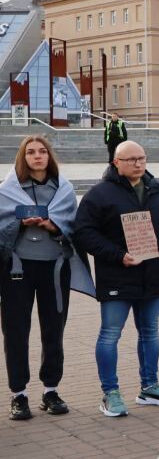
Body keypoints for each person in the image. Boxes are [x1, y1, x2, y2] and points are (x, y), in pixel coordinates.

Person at [72, 142, 159, 417]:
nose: (137, 163)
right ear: (116, 163)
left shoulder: (156, 190)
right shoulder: (99, 194)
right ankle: (110, 393)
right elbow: (84, 233)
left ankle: (150, 387)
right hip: (117, 277)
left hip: (154, 275)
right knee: (110, 334)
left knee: (150, 333)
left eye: (141, 158)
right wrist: (118, 255)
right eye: (131, 159)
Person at [0, 136, 91, 420]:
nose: (37, 156)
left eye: (42, 151)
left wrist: (54, 226)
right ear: (22, 157)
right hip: (17, 271)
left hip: (54, 269)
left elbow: (74, 229)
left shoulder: (63, 189)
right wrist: (19, 222)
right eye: (30, 152)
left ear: (49, 156)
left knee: (54, 329)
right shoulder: (6, 191)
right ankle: (19, 394)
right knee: (15, 331)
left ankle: (51, 389)